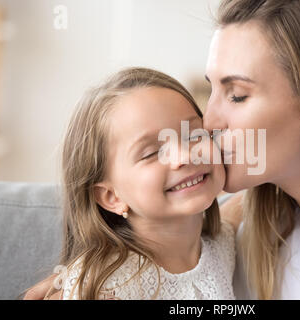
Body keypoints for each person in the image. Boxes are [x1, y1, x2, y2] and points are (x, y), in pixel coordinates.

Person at [25, 0, 300, 300]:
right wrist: (83, 277)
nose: (210, 123)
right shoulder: (249, 232)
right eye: (211, 89)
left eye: (237, 95)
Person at [39, 67, 236, 299]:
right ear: (112, 197)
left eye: (194, 135)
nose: (184, 156)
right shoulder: (102, 287)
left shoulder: (225, 242)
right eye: (152, 152)